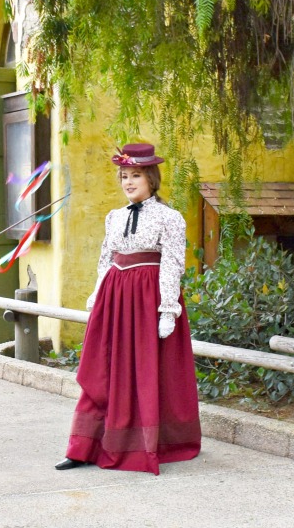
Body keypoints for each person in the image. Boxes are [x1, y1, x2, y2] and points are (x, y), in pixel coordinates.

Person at [56, 143, 201, 475]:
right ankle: (82, 447)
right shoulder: (114, 217)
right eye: (124, 176)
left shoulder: (170, 218)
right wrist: (97, 297)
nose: (128, 182)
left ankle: (155, 443)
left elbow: (172, 264)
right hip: (115, 299)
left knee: (148, 371)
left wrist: (168, 309)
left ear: (151, 177)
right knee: (103, 368)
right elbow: (105, 260)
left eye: (135, 175)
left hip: (148, 299)